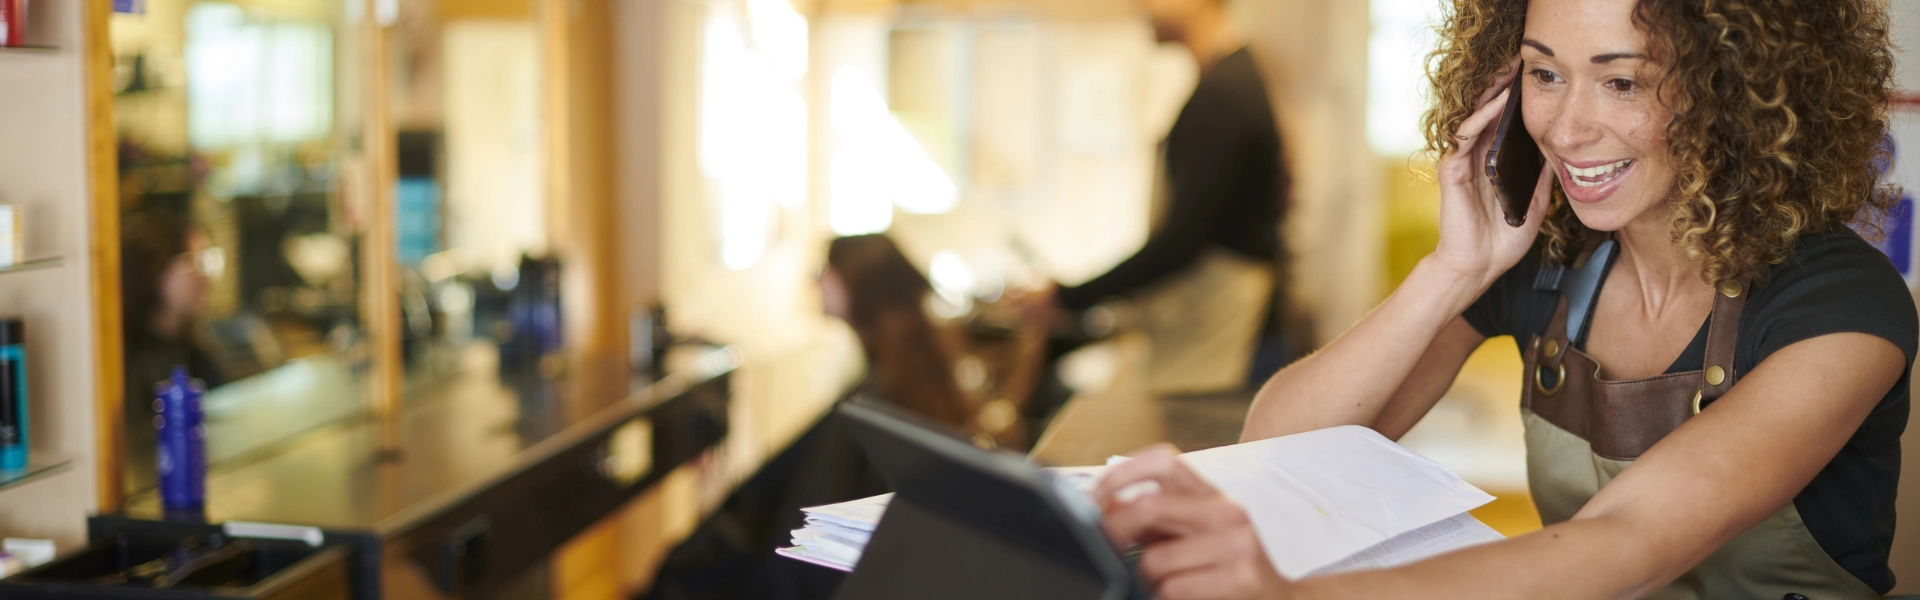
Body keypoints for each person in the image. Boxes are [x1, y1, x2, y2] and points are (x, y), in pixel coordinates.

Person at [1093, 0, 1914, 597]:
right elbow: (1275, 447)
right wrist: (1454, 269)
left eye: (1621, 82)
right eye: (1544, 73)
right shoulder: (1549, 260)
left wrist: (1295, 597)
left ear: (1734, 92)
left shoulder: (1841, 305)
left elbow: (1629, 541)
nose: (1565, 126)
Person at [644, 234, 982, 600]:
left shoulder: (876, 401)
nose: (815, 280)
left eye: (826, 269)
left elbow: (800, 536)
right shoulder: (912, 380)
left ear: (858, 284)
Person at [1037, 0, 1291, 395]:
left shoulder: (1225, 94)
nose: (1140, 8)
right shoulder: (1227, 82)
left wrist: (1066, 297)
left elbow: (1182, 240)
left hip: (1224, 324)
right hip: (1220, 315)